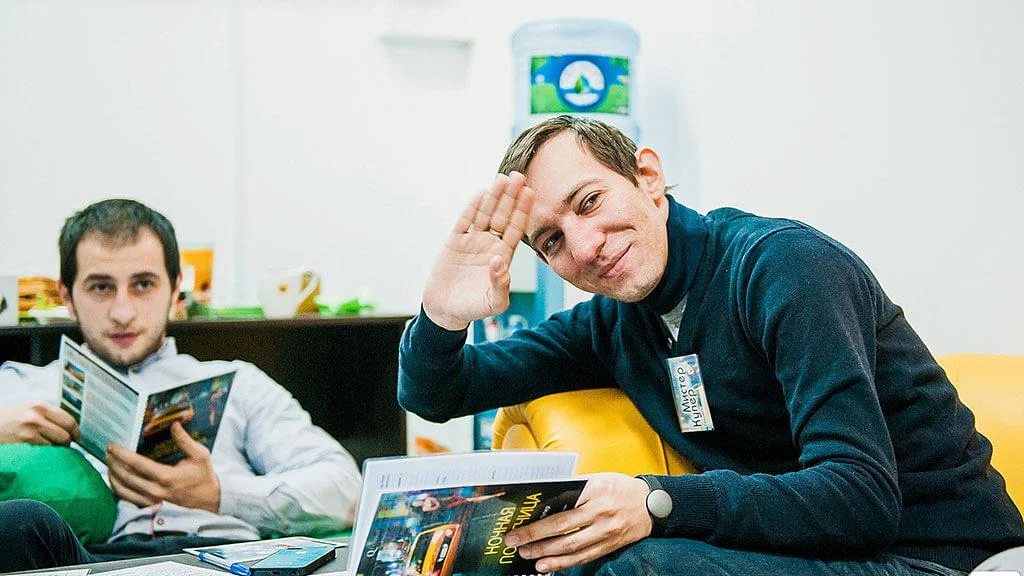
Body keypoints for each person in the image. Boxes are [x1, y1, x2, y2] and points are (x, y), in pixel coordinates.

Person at [397, 115, 1024, 575]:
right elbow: (438, 392)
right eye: (553, 241)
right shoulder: (615, 323)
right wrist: (442, 317)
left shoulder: (784, 268)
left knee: (635, 567)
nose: (585, 246)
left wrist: (654, 500)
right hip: (819, 555)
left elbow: (861, 496)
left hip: (943, 557)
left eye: (589, 201)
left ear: (647, 177)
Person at [0, 199, 362, 571]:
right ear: (66, 295)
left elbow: (346, 488)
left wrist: (220, 494)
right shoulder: (20, 386)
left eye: (143, 284)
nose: (123, 312)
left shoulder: (240, 383)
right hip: (98, 562)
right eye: (101, 287)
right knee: (21, 523)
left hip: (223, 557)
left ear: (175, 290)